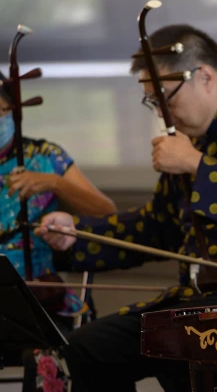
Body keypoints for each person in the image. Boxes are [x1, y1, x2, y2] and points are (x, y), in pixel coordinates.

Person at [34, 23, 217, 392]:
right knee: (86, 350)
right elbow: (157, 227)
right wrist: (76, 234)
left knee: (181, 346)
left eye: (165, 98)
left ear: (204, 76)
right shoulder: (191, 144)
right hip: (196, 307)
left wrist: (197, 164)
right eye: (153, 102)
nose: (162, 112)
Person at [0, 76, 117, 392]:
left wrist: (54, 183)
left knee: (41, 355)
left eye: (0, 111)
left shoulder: (44, 155)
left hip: (42, 300)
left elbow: (108, 213)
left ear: (13, 110)